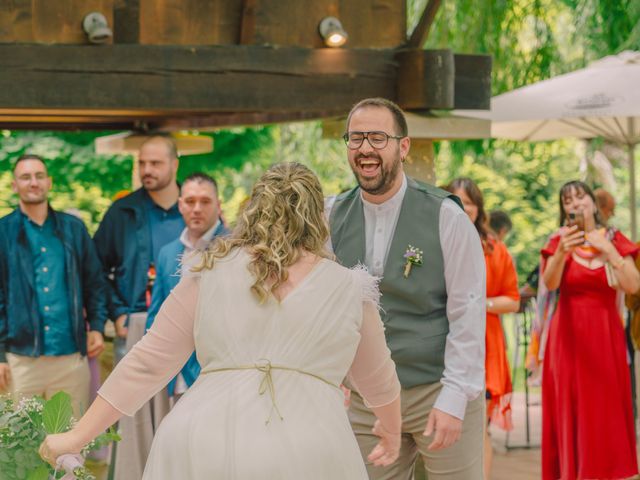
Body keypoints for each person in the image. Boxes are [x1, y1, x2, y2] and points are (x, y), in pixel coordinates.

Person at [39, 162, 403, 479]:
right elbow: (380, 379)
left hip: (202, 438)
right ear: (319, 216)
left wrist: (78, 436)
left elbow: (147, 362)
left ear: (253, 209)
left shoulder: (208, 272)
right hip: (311, 445)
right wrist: (391, 428)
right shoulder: (350, 289)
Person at [328, 97, 485, 479]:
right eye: (356, 138)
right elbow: (324, 307)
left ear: (403, 146)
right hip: (367, 399)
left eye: (378, 138)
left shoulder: (446, 215)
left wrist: (454, 396)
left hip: (437, 385)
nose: (365, 148)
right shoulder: (329, 214)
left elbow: (467, 309)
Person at [93, 135, 185, 479]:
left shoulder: (194, 207)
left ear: (175, 165)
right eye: (142, 163)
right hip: (135, 325)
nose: (147, 170)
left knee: (180, 414)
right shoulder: (122, 212)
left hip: (188, 331)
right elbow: (95, 268)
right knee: (132, 416)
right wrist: (116, 311)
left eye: (156, 163)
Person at [541, 180, 639, 480]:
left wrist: (608, 249)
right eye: (567, 200)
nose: (575, 204)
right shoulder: (558, 241)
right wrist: (562, 253)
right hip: (567, 341)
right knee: (573, 411)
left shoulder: (615, 239)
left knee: (604, 411)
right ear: (563, 209)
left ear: (593, 203)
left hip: (606, 339)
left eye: (580, 197)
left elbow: (633, 285)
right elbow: (550, 284)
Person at [0, 154, 107, 416]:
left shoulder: (74, 229)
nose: (33, 182)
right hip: (21, 360)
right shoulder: (3, 233)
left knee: (70, 447)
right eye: (25, 177)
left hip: (70, 358)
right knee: (20, 450)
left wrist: (97, 325)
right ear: (15, 185)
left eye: (39, 176)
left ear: (49, 182)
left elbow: (94, 281)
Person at [446, 178, 520, 480]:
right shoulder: (432, 244)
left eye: (470, 205)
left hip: (485, 347)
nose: (463, 210)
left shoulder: (494, 250)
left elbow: (512, 300)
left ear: (479, 210)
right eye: (456, 203)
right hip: (443, 346)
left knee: (480, 428)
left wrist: (480, 304)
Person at [146, 172, 229, 401]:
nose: (197, 208)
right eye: (190, 201)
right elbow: (157, 314)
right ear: (180, 205)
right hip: (175, 375)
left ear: (218, 205)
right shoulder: (167, 253)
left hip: (219, 375)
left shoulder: (236, 247)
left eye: (205, 201)